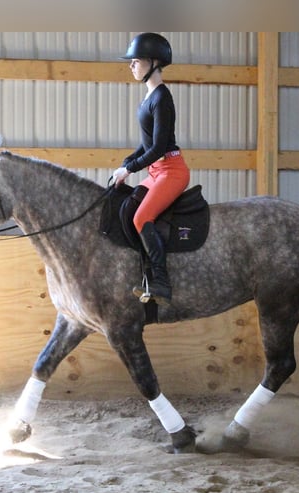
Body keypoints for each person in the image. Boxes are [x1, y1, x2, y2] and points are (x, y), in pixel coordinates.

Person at [112, 32, 190, 305]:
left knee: (141, 217)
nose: (131, 65)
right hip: (157, 170)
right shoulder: (148, 98)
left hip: (172, 171)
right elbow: (146, 145)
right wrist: (126, 163)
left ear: (154, 62)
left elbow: (157, 148)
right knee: (128, 208)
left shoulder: (162, 98)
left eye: (136, 60)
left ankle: (161, 282)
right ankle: (143, 271)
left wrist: (130, 169)